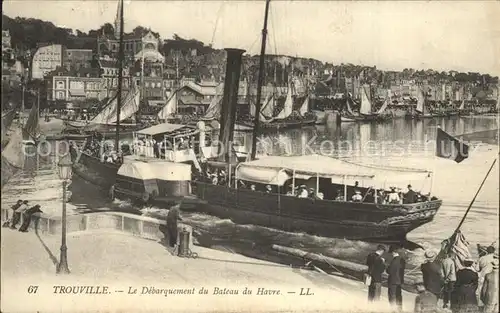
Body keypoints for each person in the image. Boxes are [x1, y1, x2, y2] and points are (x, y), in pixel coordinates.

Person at [387, 245, 406, 311]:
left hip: (392, 281)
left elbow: (389, 271)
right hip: (400, 281)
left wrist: (387, 267)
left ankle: (393, 310)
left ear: (393, 252)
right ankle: (400, 310)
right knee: (399, 296)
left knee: (392, 296)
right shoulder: (402, 260)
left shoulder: (394, 261)